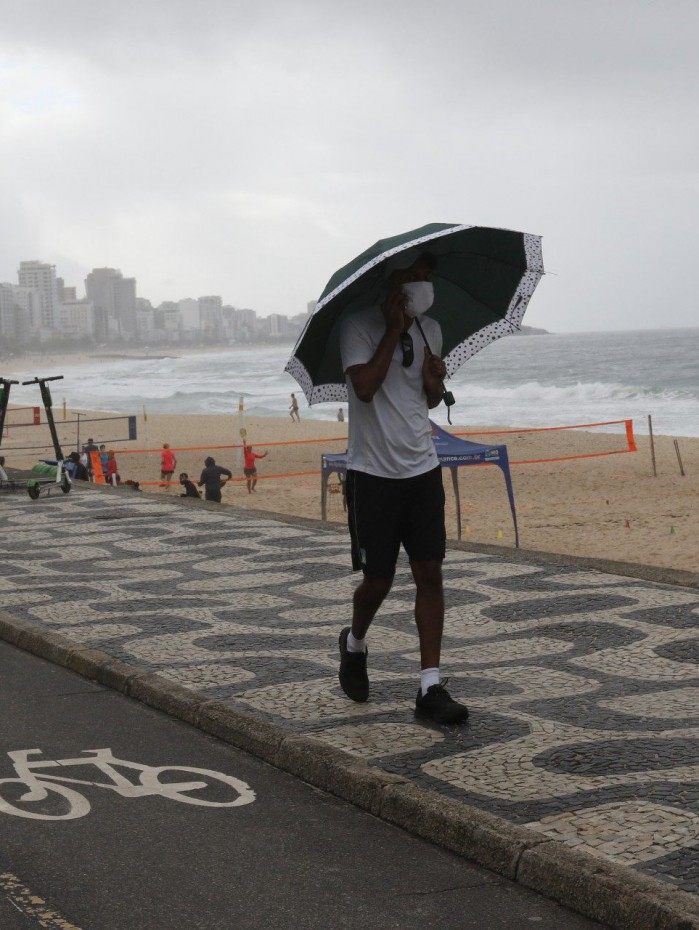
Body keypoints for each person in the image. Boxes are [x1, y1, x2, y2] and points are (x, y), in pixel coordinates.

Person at [337, 251, 468, 726]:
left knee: (430, 573)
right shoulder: (358, 326)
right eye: (411, 276)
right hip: (372, 473)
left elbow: (424, 399)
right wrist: (393, 329)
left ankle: (430, 685)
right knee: (379, 580)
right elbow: (366, 387)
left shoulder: (431, 330)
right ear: (391, 282)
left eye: (426, 277)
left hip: (422, 467)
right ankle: (354, 644)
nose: (421, 284)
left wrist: (434, 383)